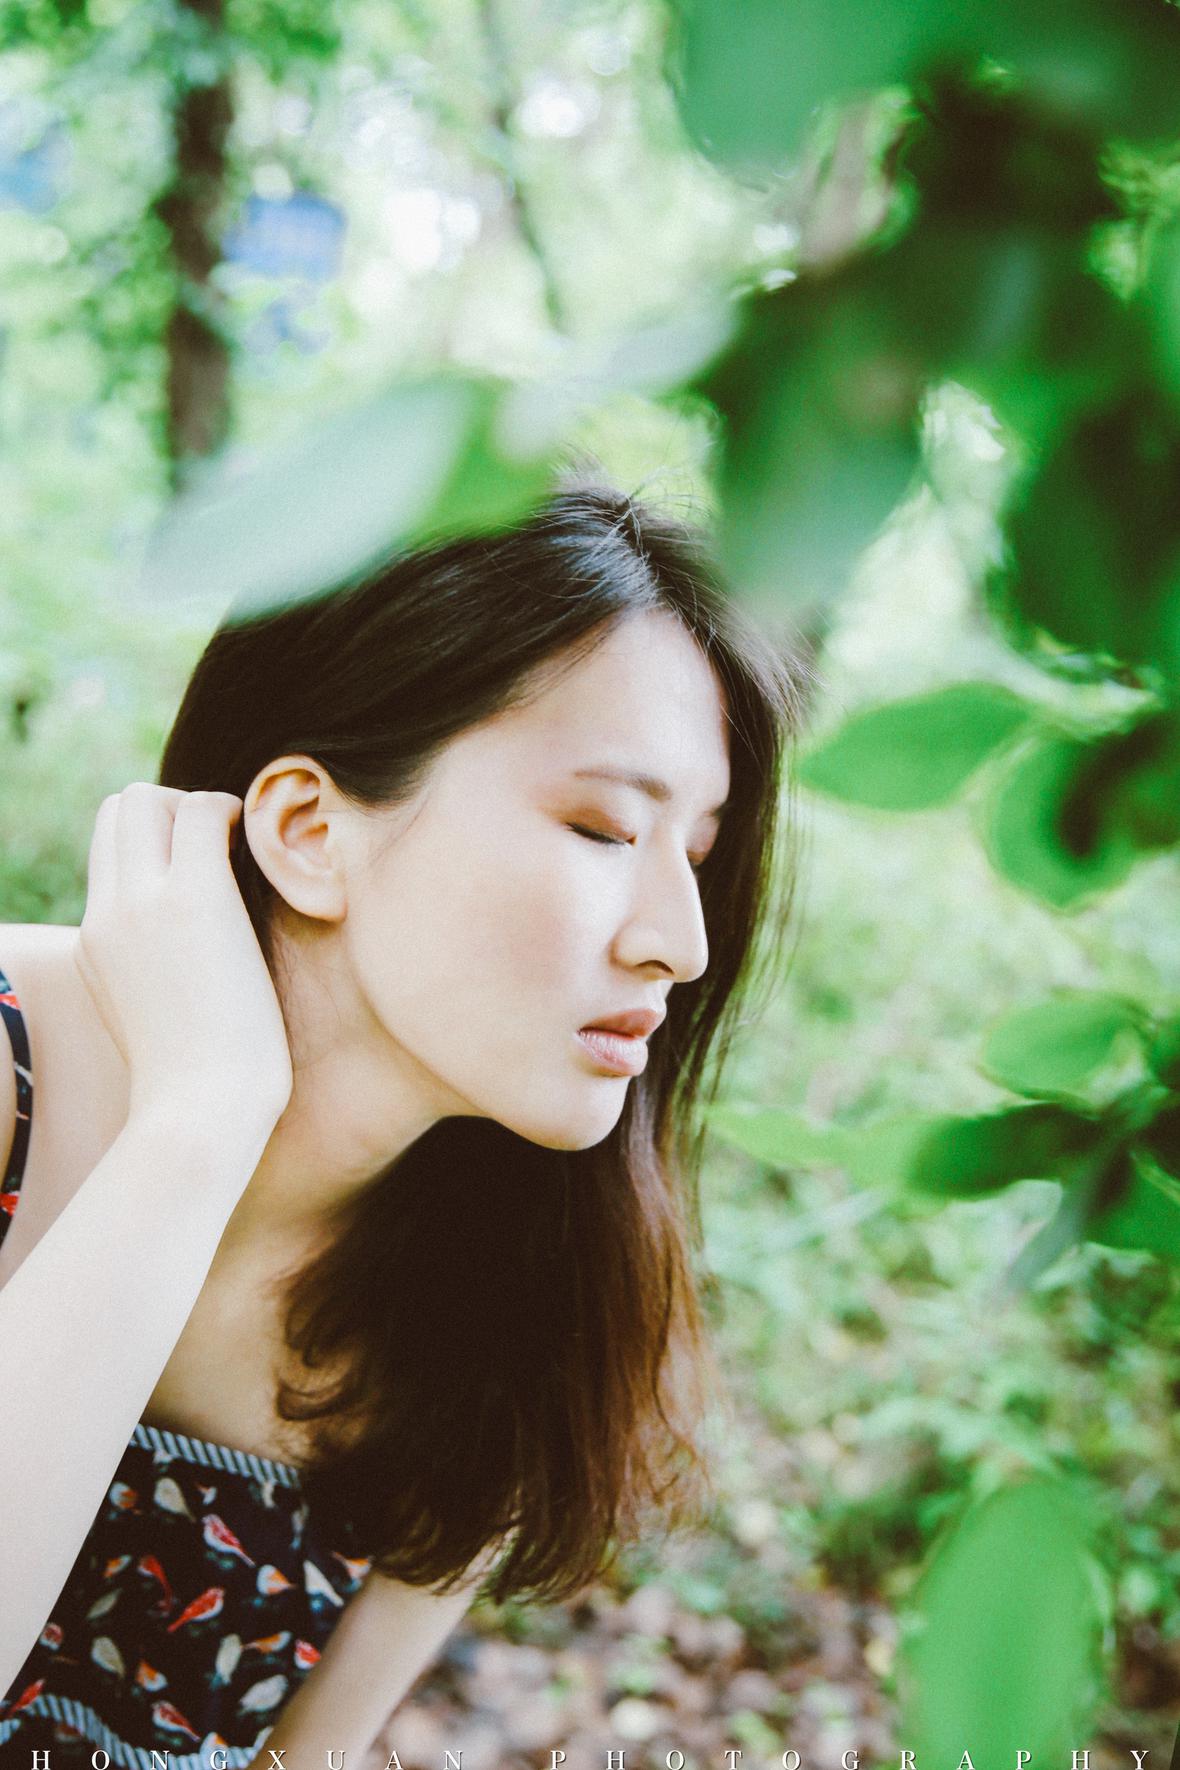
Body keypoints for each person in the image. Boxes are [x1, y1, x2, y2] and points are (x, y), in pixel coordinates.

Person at [0, 482, 801, 1769]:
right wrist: (198, 1124)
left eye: (697, 857)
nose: (681, 944)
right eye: (603, 828)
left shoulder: (505, 1307)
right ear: (310, 832)